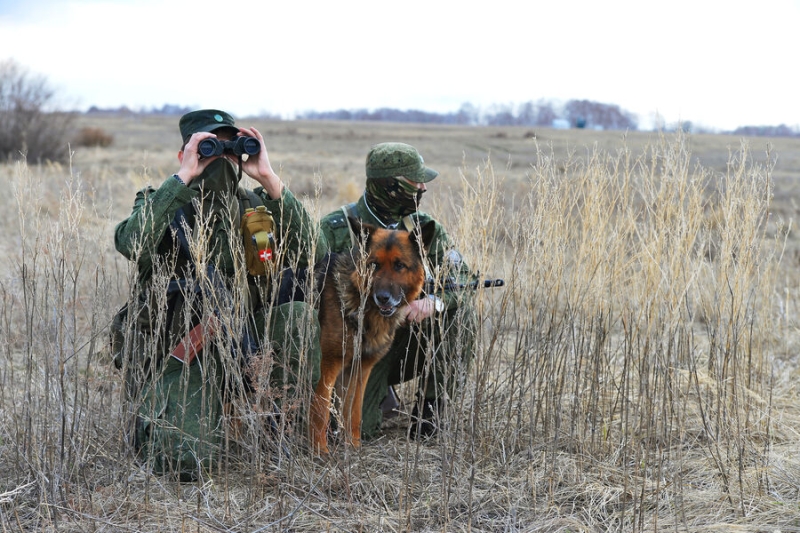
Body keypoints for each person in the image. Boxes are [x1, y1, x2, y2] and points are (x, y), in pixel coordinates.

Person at [112, 109, 321, 480]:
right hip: (182, 351)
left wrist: (271, 181)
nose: (220, 159)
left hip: (247, 342)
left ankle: (282, 423)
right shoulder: (161, 201)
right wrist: (182, 179)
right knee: (183, 462)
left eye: (229, 149)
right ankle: (160, 413)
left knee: (298, 316)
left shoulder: (255, 206)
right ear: (185, 154)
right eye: (208, 148)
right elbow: (132, 242)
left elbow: (314, 252)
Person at [318, 142, 477, 440]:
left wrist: (435, 302)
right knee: (356, 430)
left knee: (460, 313)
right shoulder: (337, 229)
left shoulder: (424, 229)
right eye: (414, 182)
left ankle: (431, 414)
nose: (421, 188)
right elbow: (308, 290)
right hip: (353, 348)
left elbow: (463, 279)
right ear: (390, 187)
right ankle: (376, 393)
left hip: (407, 336)